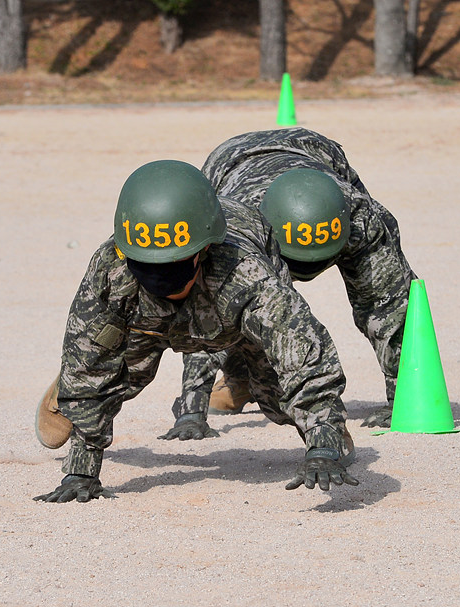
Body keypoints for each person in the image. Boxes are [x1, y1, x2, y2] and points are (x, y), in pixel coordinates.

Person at [33, 160, 359, 503]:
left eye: (175, 265)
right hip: (146, 323)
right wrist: (81, 472)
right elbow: (87, 357)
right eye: (148, 265)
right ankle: (63, 394)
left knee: (277, 396)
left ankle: (322, 427)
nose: (163, 279)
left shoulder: (246, 273)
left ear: (203, 252)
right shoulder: (111, 270)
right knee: (119, 374)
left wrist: (324, 440)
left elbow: (301, 350)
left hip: (230, 321)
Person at [159, 127, 417, 434]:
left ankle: (242, 378)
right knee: (242, 301)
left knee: (380, 292)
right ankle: (238, 379)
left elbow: (389, 303)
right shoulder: (238, 226)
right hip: (229, 162)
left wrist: (406, 399)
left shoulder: (360, 214)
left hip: (316, 152)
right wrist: (192, 411)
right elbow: (208, 307)